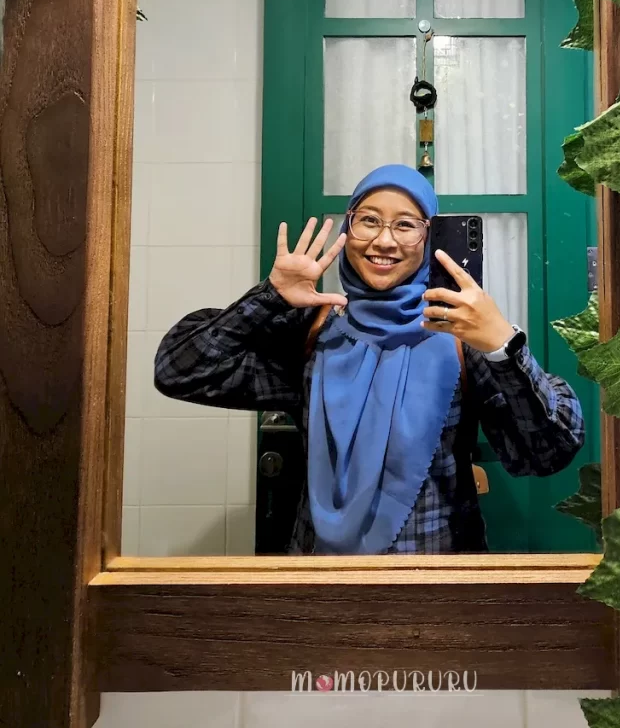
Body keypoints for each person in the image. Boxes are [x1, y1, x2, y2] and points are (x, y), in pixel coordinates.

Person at [154, 164, 584, 555]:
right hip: (320, 580)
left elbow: (547, 452)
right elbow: (179, 370)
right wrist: (270, 297)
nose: (384, 241)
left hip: (436, 584)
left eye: (406, 225)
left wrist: (503, 346)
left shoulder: (460, 335)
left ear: (429, 237)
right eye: (369, 221)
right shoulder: (315, 331)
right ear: (348, 228)